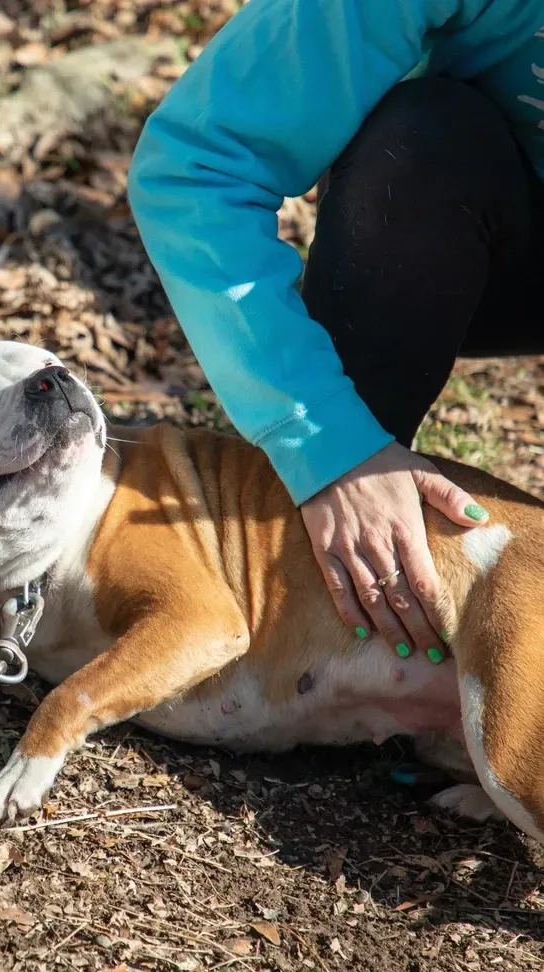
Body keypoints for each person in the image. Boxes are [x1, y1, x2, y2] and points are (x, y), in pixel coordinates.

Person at [129, 0, 543, 663]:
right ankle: (340, 601)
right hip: (500, 222)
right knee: (421, 140)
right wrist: (328, 443)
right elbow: (196, 163)